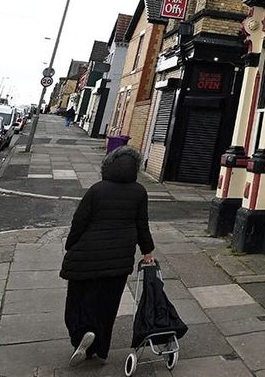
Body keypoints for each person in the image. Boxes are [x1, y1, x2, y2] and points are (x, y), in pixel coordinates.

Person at [59, 146, 155, 365]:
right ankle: (98, 347)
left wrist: (71, 244)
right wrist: (147, 252)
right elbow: (142, 225)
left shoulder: (97, 190)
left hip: (86, 257)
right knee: (107, 307)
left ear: (108, 165)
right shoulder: (139, 192)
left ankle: (80, 334)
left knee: (77, 302)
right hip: (118, 261)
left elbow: (79, 221)